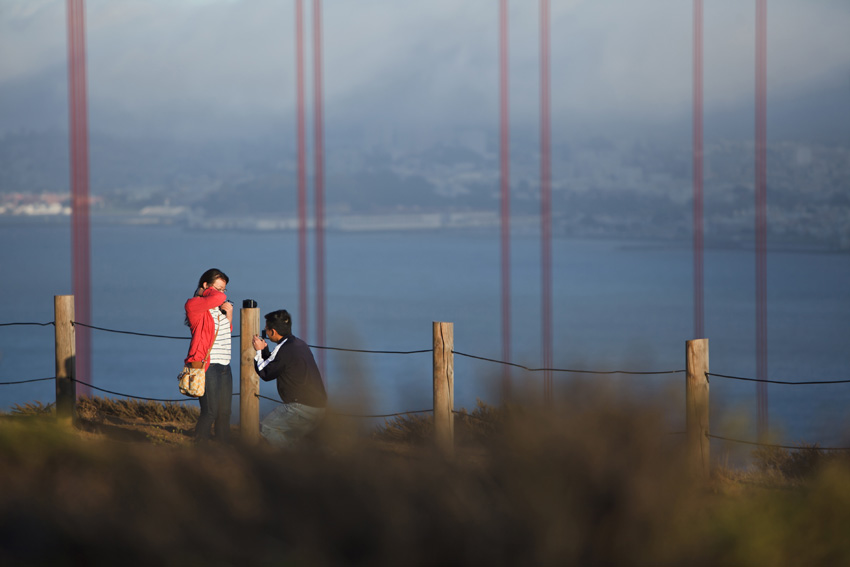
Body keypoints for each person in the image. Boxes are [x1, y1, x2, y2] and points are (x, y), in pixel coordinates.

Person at [252, 309, 327, 448]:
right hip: (318, 405)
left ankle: (294, 460)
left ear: (273, 331)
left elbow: (266, 373)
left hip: (301, 406)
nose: (265, 332)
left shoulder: (284, 349)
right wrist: (264, 350)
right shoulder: (298, 344)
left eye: (266, 329)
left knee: (267, 428)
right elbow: (276, 364)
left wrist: (258, 351)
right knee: (294, 437)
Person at [184, 268, 233, 443]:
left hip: (224, 365)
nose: (221, 293)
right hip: (208, 365)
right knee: (210, 411)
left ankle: (223, 446)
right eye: (218, 288)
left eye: (224, 289)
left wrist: (229, 314)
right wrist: (210, 293)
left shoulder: (216, 306)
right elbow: (219, 297)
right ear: (206, 286)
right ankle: (200, 444)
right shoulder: (194, 305)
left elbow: (225, 332)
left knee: (225, 412)